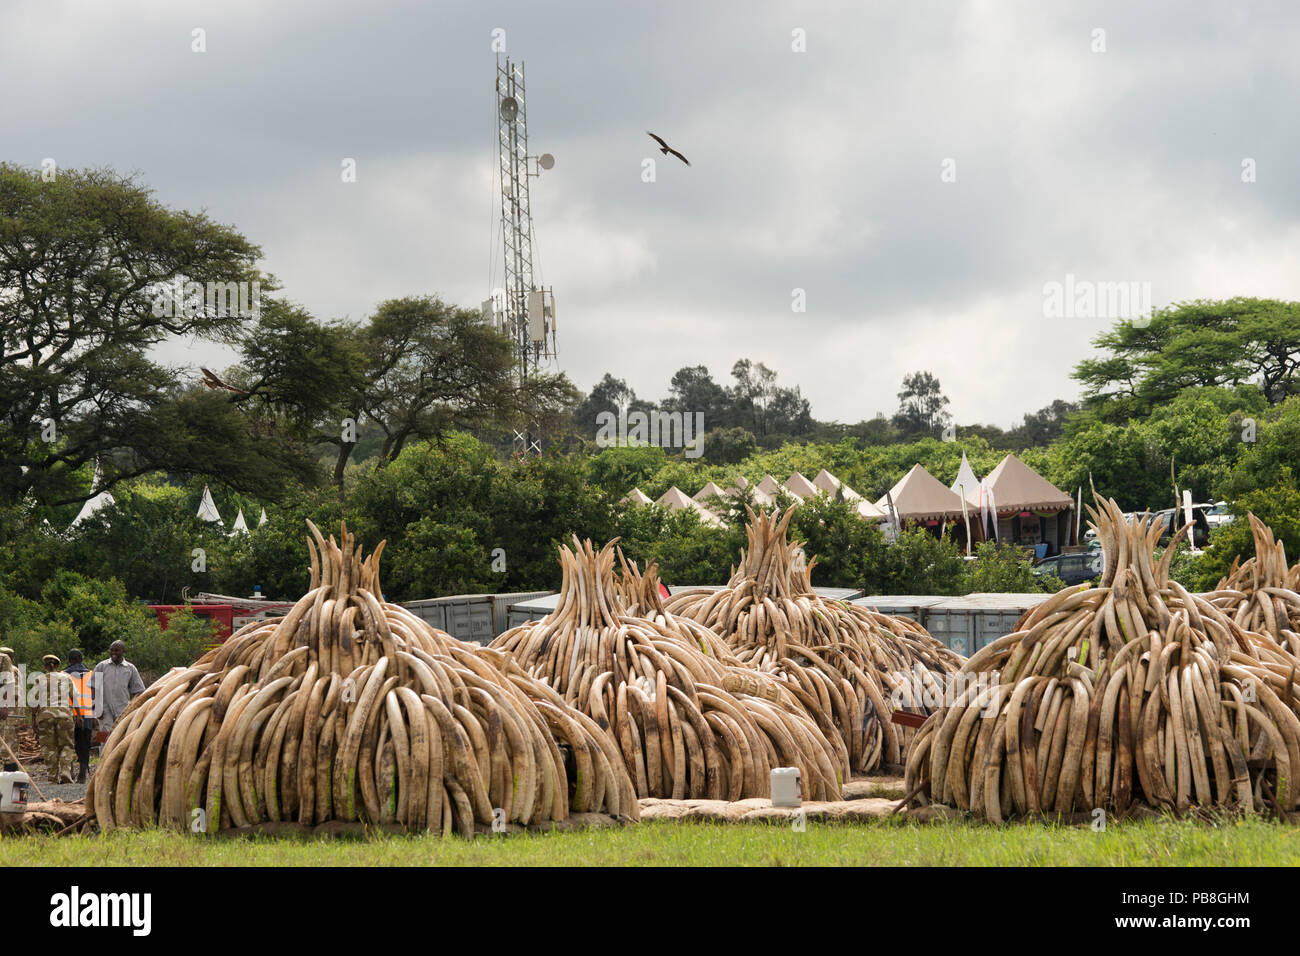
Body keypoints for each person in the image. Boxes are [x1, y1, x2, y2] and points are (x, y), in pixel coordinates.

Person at [31, 654, 76, 784]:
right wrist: (78, 715)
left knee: (48, 746)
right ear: (57, 666)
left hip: (45, 716)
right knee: (67, 744)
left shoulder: (40, 679)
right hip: (64, 715)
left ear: (45, 666)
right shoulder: (66, 678)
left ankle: (52, 777)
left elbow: (34, 702)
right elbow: (75, 698)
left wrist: (33, 719)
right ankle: (66, 771)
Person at [92, 640, 144, 737]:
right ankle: (103, 753)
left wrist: (132, 708)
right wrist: (98, 708)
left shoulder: (130, 668)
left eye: (117, 650)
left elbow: (138, 691)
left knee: (120, 735)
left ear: (123, 651)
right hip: (104, 709)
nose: (113, 653)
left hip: (123, 709)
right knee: (103, 736)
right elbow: (95, 687)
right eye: (112, 650)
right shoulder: (101, 666)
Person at [65, 649, 95, 782]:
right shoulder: (91, 674)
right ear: (81, 659)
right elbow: (96, 696)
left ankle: (70, 771)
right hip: (87, 713)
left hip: (69, 713)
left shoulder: (63, 675)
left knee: (69, 743)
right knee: (85, 744)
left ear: (69, 660)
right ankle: (82, 772)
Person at [0, 646, 19, 768]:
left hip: (6, 707)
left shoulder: (3, 660)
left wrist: (4, 705)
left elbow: (10, 686)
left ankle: (11, 770)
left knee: (8, 739)